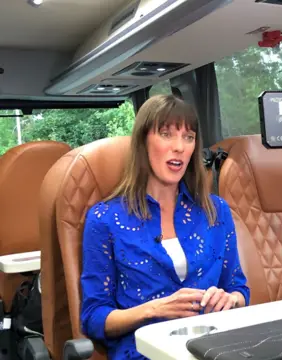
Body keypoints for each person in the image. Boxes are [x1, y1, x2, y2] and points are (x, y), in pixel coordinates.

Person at [80, 95, 250, 360]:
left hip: (214, 348)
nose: (179, 147)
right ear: (143, 142)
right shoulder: (104, 219)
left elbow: (239, 288)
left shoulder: (216, 211)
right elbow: (94, 317)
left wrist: (230, 300)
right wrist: (154, 309)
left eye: (188, 137)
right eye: (166, 134)